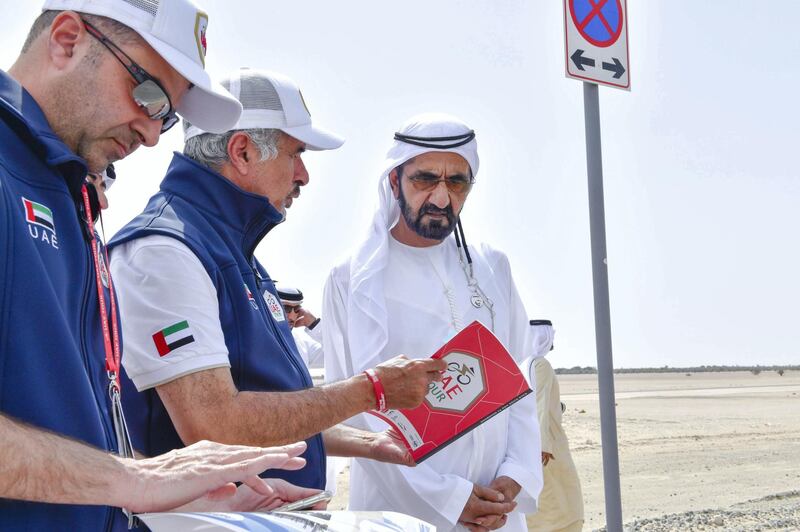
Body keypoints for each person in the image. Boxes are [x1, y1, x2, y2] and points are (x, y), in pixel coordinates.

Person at [0, 2, 321, 530]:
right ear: (66, 39)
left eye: (167, 116)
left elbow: (67, 429)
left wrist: (180, 493)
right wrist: (134, 482)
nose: (152, 134)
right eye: (148, 94)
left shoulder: (69, 194)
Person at [107, 69, 446, 492]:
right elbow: (215, 423)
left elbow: (271, 409)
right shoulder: (164, 251)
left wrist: (370, 442)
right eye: (295, 153)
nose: (303, 175)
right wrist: (370, 390)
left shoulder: (229, 250)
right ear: (243, 151)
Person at [322, 113, 543, 531]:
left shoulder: (492, 266)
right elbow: (356, 417)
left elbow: (520, 378)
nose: (442, 198)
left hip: (497, 512)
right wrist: (450, 499)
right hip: (403, 513)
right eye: (425, 179)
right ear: (394, 181)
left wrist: (515, 477)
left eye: (457, 182)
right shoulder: (351, 280)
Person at [525, 320, 584, 532]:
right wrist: (544, 446)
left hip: (527, 443)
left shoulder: (521, 363)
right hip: (547, 444)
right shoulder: (540, 365)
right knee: (563, 504)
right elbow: (538, 406)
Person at [276, 285, 324, 369]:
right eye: (286, 308)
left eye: (297, 309)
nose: (292, 316)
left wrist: (314, 324)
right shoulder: (254, 340)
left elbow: (337, 353)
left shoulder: (301, 344)